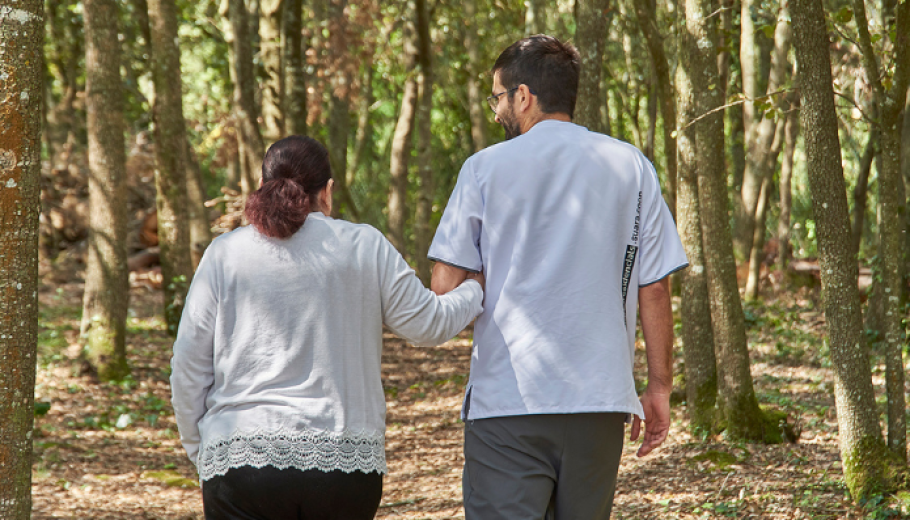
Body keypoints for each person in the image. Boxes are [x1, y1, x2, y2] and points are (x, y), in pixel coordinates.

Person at [428, 35, 688, 519]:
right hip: (601, 400)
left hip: (508, 401)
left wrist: (483, 283)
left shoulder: (484, 169)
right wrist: (658, 388)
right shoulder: (630, 164)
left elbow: (444, 289)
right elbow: (654, 285)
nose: (497, 110)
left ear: (523, 96)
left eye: (498, 97)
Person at [170, 135, 484, 520]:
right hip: (342, 464)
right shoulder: (364, 246)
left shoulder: (224, 253)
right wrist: (474, 288)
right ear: (328, 191)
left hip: (241, 461)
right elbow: (430, 324)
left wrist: (201, 451)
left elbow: (188, 365)